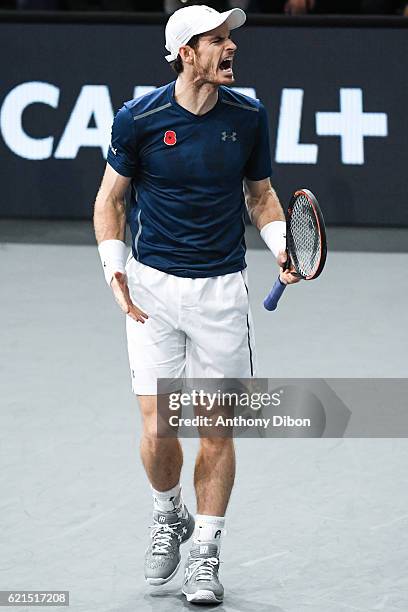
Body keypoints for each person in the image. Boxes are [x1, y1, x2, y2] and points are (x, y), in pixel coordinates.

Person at [93, 4, 299, 605]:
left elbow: (260, 197)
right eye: (216, 41)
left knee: (216, 430)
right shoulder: (139, 119)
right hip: (152, 290)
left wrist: (281, 243)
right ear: (186, 53)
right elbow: (111, 200)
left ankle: (206, 554)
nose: (230, 49)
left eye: (230, 39)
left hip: (220, 294)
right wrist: (114, 269)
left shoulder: (250, 116)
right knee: (159, 427)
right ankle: (168, 514)